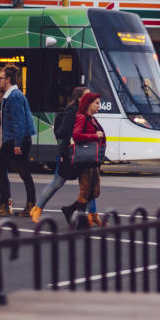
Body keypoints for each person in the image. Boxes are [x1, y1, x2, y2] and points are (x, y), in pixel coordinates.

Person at [31, 86, 91, 223]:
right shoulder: (73, 111)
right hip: (69, 152)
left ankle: (92, 215)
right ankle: (37, 209)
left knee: (87, 187)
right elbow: (64, 132)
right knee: (57, 183)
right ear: (79, 98)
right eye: (88, 95)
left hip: (83, 152)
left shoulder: (87, 111)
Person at [0, 64, 36, 218]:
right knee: (23, 172)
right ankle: (30, 205)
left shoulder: (14, 96)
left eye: (1, 78)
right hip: (18, 138)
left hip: (14, 139)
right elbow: (15, 118)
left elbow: (19, 121)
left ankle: (4, 204)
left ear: (8, 79)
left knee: (0, 169)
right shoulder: (13, 95)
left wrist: (17, 144)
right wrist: (1, 115)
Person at [61, 91, 107, 226]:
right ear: (88, 104)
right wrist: (94, 136)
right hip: (85, 160)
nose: (99, 106)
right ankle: (81, 223)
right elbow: (76, 135)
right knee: (85, 192)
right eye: (97, 103)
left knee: (94, 192)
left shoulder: (92, 118)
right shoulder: (82, 117)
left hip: (93, 160)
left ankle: (69, 210)